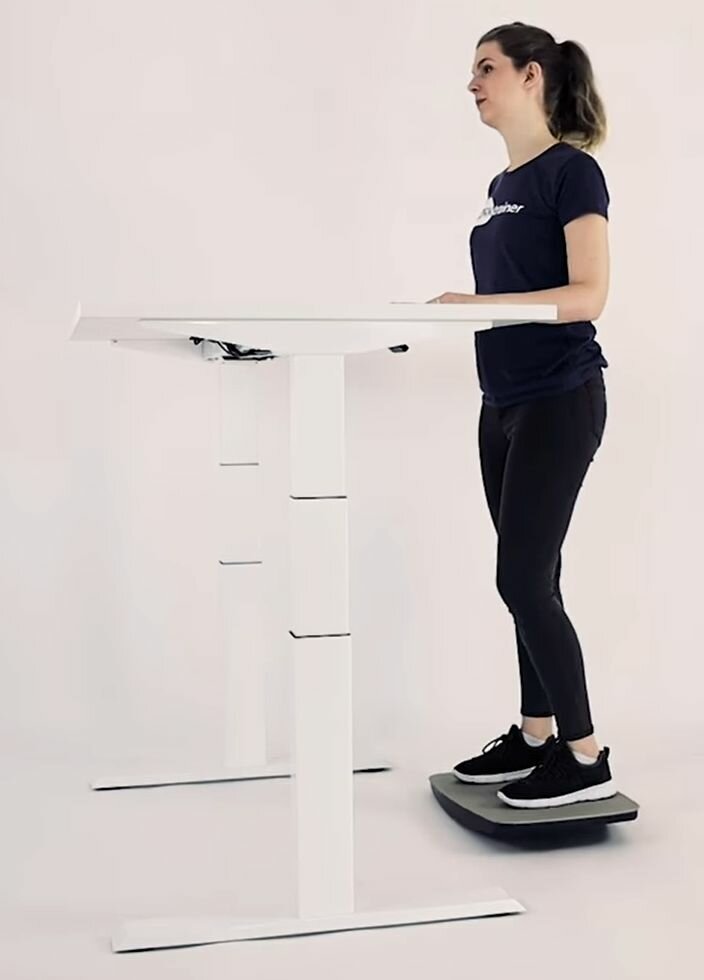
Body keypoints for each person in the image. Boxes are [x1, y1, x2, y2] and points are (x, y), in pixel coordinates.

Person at [427, 22, 617, 809]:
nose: (473, 83)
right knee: (531, 580)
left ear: (532, 76)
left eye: (487, 68)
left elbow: (588, 295)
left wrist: (475, 305)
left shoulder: (573, 173)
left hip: (559, 397)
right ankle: (536, 733)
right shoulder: (502, 184)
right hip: (501, 402)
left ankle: (585, 755)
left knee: (522, 578)